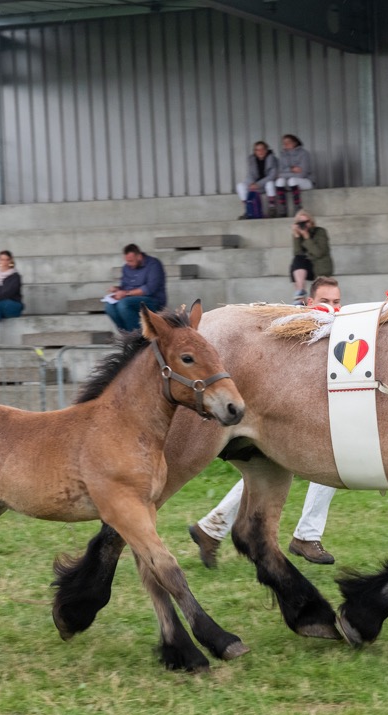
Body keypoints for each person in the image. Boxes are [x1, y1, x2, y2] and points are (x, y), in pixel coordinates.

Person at [188, 276, 344, 567]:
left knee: (273, 468)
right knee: (312, 462)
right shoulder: (295, 328)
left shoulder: (336, 330)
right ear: (310, 303)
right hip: (289, 409)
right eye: (325, 301)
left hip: (309, 409)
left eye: (336, 301)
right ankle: (304, 535)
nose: (332, 307)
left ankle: (212, 526)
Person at [103, 244, 166, 333]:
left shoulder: (154, 264)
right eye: (127, 261)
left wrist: (125, 293)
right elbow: (125, 286)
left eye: (131, 261)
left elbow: (149, 289)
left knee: (124, 304)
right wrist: (117, 289)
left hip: (152, 300)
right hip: (130, 298)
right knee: (109, 306)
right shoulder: (126, 268)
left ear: (139, 256)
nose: (129, 264)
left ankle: (139, 336)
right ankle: (128, 335)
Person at [289, 209, 332, 303]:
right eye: (300, 223)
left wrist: (306, 237)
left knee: (298, 263)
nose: (303, 225)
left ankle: (300, 298)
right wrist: (296, 236)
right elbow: (297, 252)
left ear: (311, 221)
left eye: (306, 222)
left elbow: (319, 253)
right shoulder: (298, 233)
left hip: (319, 267)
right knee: (297, 260)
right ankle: (300, 294)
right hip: (305, 267)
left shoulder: (320, 232)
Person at [235, 140, 278, 219]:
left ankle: (272, 209)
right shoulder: (252, 160)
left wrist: (258, 184)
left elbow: (272, 175)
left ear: (266, 150)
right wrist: (251, 184)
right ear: (255, 151)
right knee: (240, 186)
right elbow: (250, 174)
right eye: (257, 150)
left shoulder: (272, 159)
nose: (260, 152)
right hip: (255, 186)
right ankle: (248, 210)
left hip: (266, 185)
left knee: (270, 184)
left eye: (262, 149)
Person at [274, 134, 313, 218]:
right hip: (289, 183)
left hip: (305, 181)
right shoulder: (282, 155)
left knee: (292, 180)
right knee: (279, 181)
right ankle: (282, 210)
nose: (285, 144)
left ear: (295, 143)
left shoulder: (304, 153)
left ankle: (297, 208)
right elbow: (279, 173)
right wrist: (291, 169)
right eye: (284, 143)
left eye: (288, 142)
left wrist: (285, 173)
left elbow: (303, 174)